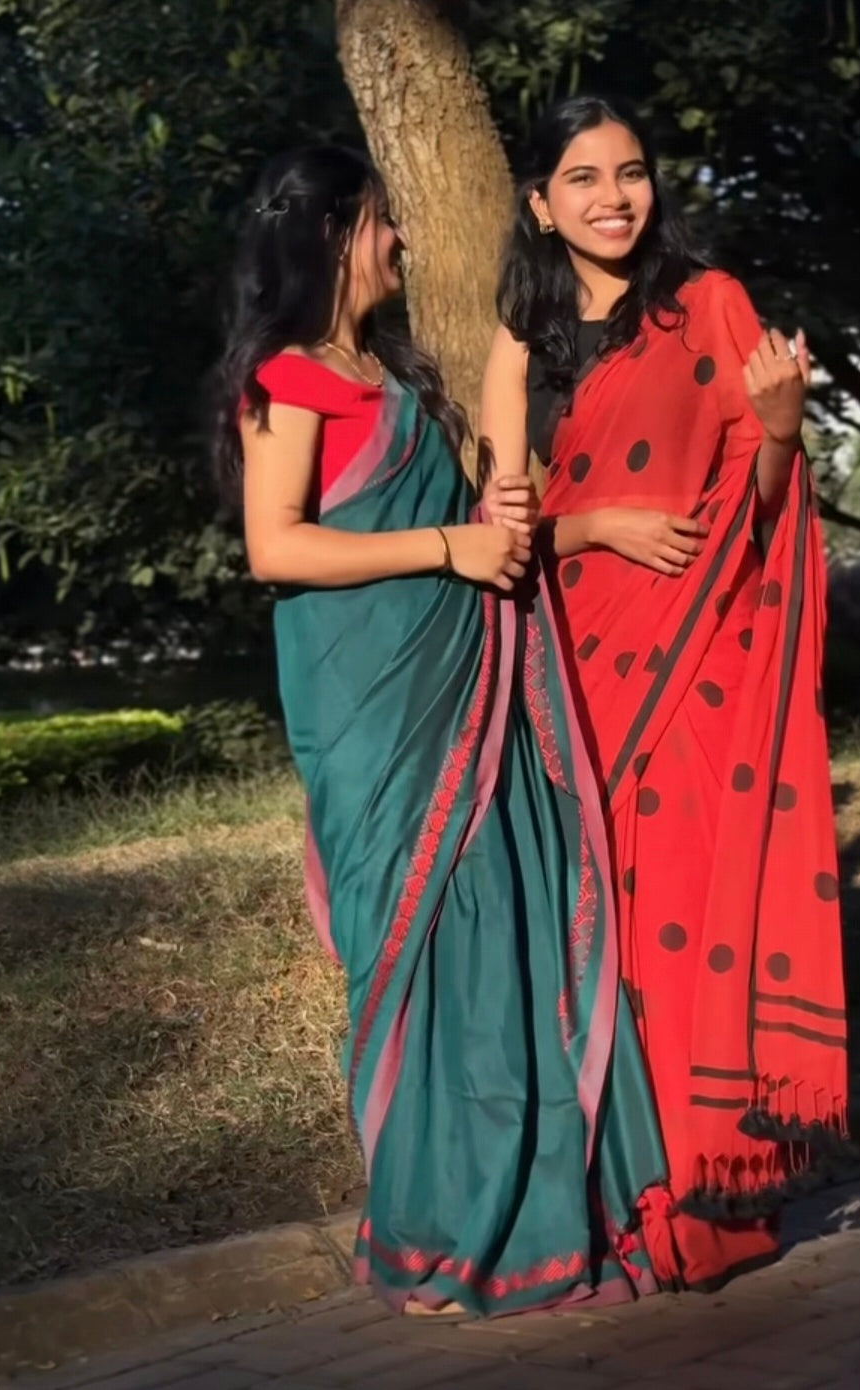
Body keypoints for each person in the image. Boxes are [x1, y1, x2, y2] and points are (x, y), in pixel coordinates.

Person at [211, 145, 670, 1319]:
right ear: (329, 238)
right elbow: (278, 547)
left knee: (495, 945)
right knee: (419, 953)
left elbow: (458, 531)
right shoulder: (289, 379)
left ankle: (525, 1216)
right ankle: (437, 1230)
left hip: (464, 674)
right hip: (372, 701)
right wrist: (445, 546)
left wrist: (499, 521)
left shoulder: (391, 369)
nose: (400, 245)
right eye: (381, 226)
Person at [479, 97, 851, 1293]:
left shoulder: (712, 307)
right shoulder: (520, 345)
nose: (612, 197)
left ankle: (705, 1192)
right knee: (604, 937)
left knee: (684, 910)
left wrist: (786, 434)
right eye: (581, 178)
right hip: (576, 680)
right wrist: (598, 522)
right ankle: (616, 1193)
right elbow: (506, 529)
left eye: (630, 172)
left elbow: (757, 498)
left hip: (694, 675)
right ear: (540, 202)